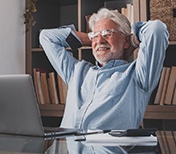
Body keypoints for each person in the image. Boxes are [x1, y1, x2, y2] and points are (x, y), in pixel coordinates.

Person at [39, 8, 169, 131]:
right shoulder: (76, 71)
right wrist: (92, 40)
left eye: (108, 34)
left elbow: (156, 29)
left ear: (125, 40)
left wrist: (132, 40)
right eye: (94, 35)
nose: (100, 40)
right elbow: (47, 37)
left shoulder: (138, 75)